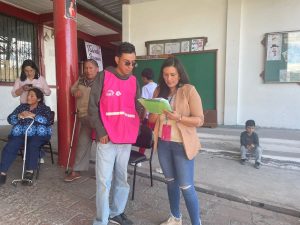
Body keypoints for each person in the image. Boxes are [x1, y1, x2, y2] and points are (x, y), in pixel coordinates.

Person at [89, 42, 143, 225]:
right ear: (117, 59)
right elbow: (92, 107)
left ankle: (116, 212)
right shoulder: (103, 77)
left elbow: (137, 107)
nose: (130, 67)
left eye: (133, 63)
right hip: (107, 139)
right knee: (104, 182)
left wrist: (147, 109)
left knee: (122, 178)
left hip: (125, 139)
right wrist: (101, 131)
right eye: (127, 62)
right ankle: (101, 220)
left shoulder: (135, 82)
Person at [149, 57, 204, 225]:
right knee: (171, 183)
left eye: (173, 74)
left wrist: (178, 117)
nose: (169, 78)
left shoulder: (189, 90)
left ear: (179, 75)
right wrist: (156, 112)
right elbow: (151, 120)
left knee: (186, 187)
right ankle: (175, 218)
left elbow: (199, 120)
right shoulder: (158, 91)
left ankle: (196, 222)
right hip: (163, 143)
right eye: (165, 75)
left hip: (182, 145)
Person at [0, 88, 52, 185]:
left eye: (32, 96)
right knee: (11, 145)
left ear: (39, 99)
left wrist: (33, 115)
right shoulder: (22, 107)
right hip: (20, 133)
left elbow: (48, 121)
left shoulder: (45, 109)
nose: (28, 97)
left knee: (32, 145)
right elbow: (10, 119)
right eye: (28, 95)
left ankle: (29, 171)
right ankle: (2, 172)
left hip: (38, 135)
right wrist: (19, 115)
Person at [64, 59, 98, 182]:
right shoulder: (81, 80)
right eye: (86, 68)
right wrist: (75, 91)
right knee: (82, 144)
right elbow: (72, 89)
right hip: (83, 116)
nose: (88, 70)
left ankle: (101, 171)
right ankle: (76, 170)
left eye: (91, 68)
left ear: (96, 69)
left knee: (101, 146)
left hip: (97, 118)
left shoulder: (101, 81)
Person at [138, 68, 157, 156]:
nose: (143, 80)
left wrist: (142, 116)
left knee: (145, 137)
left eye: (143, 78)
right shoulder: (157, 86)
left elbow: (145, 105)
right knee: (156, 137)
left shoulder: (145, 88)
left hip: (148, 117)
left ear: (145, 78)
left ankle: (140, 156)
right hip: (156, 116)